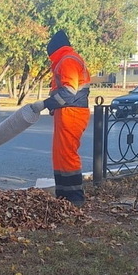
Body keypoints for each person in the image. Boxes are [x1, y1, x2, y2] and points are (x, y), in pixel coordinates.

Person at [42, 30, 91, 207]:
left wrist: (47, 104)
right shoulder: (65, 59)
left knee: (68, 154)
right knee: (60, 155)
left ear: (54, 50)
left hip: (72, 113)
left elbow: (69, 92)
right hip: (67, 112)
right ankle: (63, 196)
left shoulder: (67, 60)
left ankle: (75, 198)